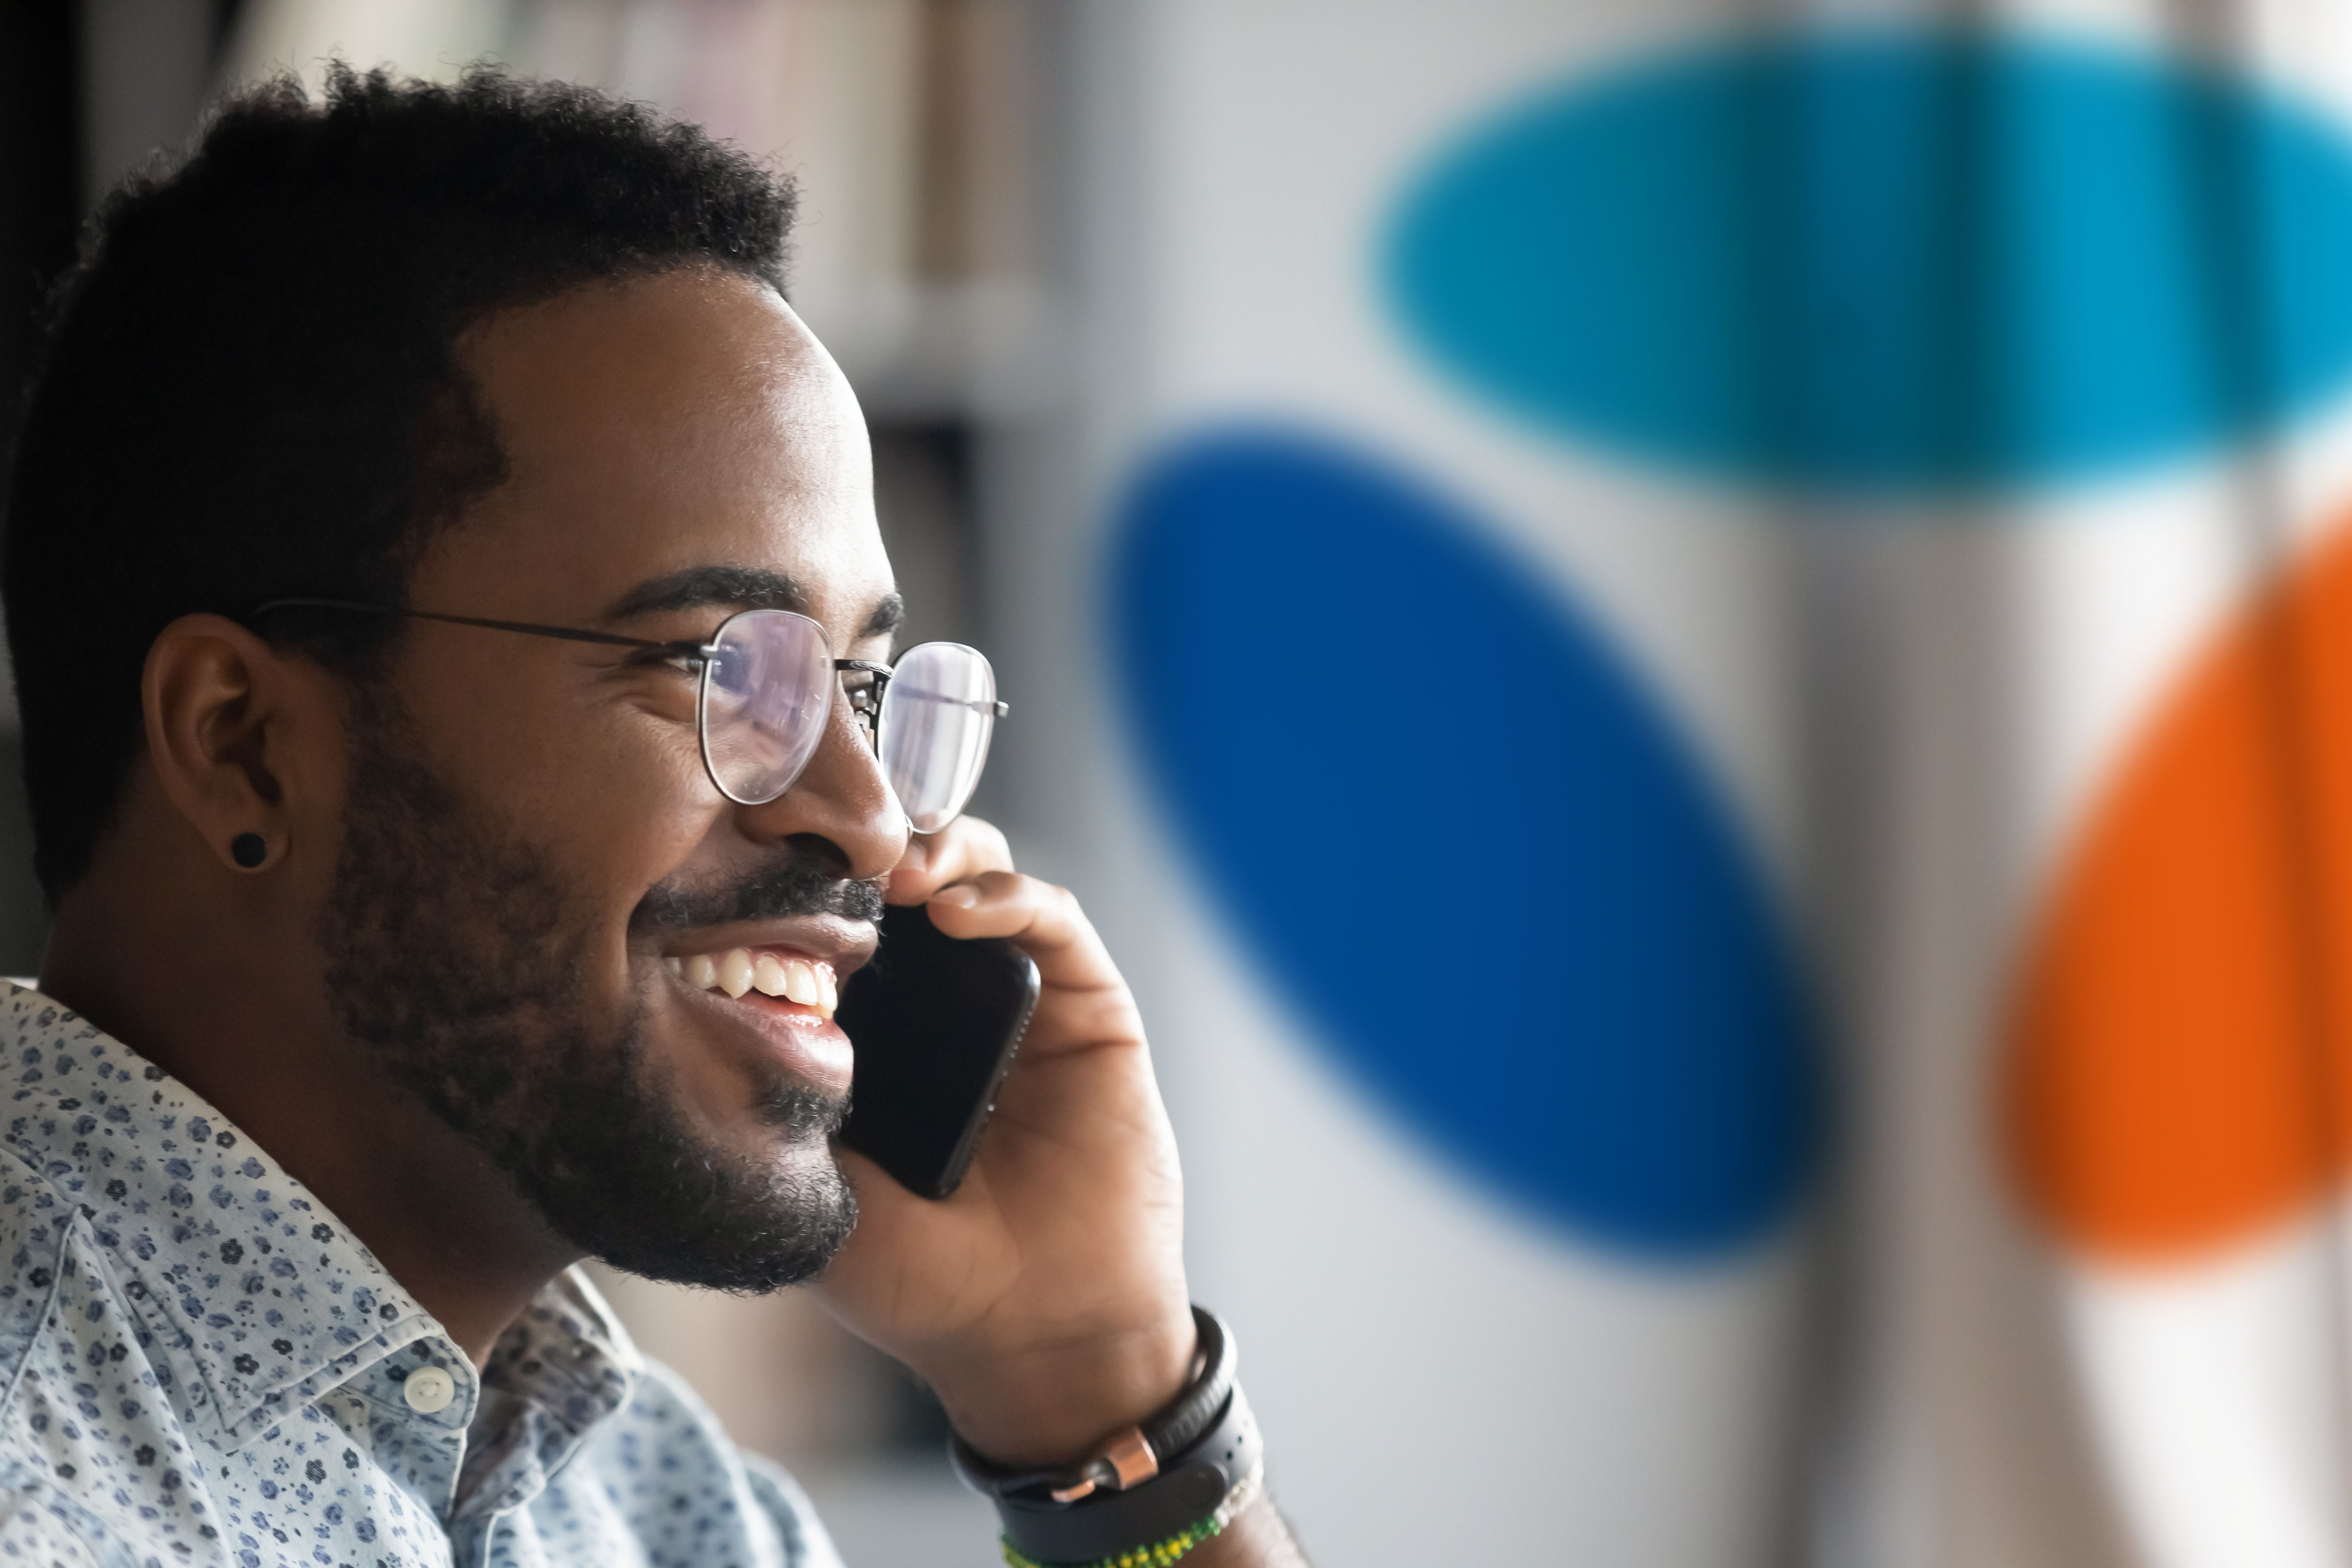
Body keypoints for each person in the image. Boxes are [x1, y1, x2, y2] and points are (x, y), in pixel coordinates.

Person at [0, 66, 1305, 1568]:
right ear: (242, 747)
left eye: (865, 689)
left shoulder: (645, 1498)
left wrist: (1092, 1388)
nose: (875, 827)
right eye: (722, 668)